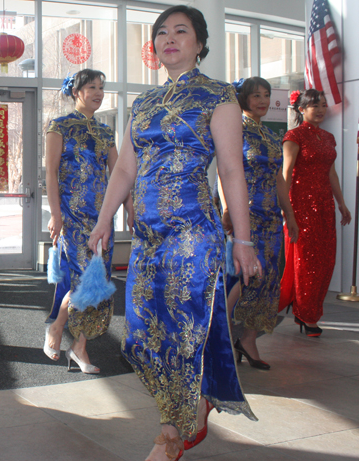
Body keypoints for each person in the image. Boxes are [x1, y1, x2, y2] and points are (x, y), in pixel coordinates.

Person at [89, 6, 260, 461]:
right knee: (143, 335)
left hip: (191, 236)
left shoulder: (218, 96)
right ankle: (192, 406)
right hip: (147, 239)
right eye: (161, 32)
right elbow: (125, 166)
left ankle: (172, 433)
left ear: (199, 43)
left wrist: (241, 240)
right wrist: (104, 220)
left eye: (180, 31)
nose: (169, 38)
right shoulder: (143, 103)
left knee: (183, 333)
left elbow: (230, 169)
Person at [43, 69, 134, 374]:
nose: (98, 92)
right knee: (85, 279)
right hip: (71, 216)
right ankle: (57, 328)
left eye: (101, 87)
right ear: (76, 91)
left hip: (100, 219)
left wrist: (129, 207)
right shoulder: (59, 126)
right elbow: (50, 174)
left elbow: (118, 174)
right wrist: (55, 214)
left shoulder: (106, 132)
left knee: (99, 283)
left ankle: (79, 347)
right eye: (91, 87)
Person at [219, 77, 299, 370]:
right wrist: (227, 208)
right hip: (245, 214)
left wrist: (289, 214)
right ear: (243, 98)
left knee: (266, 280)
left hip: (270, 218)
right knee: (242, 275)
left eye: (266, 95)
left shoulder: (268, 133)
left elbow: (278, 177)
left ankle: (248, 339)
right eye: (256, 96)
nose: (263, 100)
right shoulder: (235, 128)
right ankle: (219, 334)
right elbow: (224, 170)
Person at [279, 89, 351, 336]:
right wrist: (286, 211)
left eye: (323, 105)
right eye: (314, 106)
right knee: (305, 261)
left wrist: (341, 203)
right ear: (301, 109)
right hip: (300, 206)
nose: (320, 110)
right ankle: (306, 314)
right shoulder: (294, 136)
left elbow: (331, 173)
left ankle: (309, 308)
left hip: (324, 206)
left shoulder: (329, 138)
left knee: (325, 260)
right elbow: (286, 174)